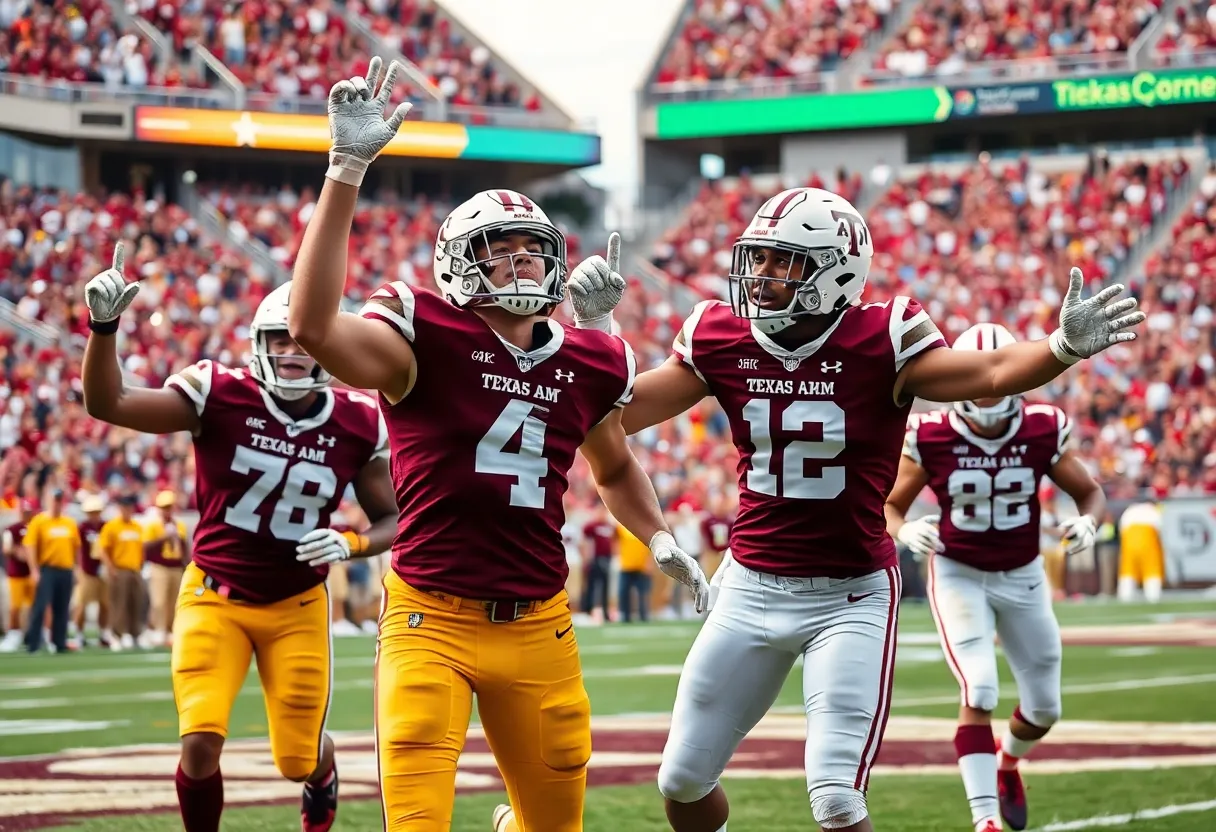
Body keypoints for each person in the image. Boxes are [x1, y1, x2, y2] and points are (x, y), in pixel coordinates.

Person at [567, 186, 1144, 832]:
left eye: (781, 262)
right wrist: (597, 334)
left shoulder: (884, 338)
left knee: (836, 796)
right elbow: (614, 414)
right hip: (750, 587)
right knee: (680, 780)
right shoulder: (720, 335)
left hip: (848, 598)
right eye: (757, 259)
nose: (758, 276)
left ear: (835, 271)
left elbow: (989, 374)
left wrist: (1059, 348)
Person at [285, 57, 709, 832]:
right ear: (458, 265)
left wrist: (657, 535)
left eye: (532, 247)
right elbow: (312, 328)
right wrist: (345, 170)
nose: (524, 261)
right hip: (429, 617)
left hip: (540, 619)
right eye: (501, 249)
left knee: (555, 825)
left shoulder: (590, 357)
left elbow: (613, 466)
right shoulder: (422, 333)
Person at [81, 253, 399, 832]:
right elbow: (110, 404)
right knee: (199, 740)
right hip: (213, 594)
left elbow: (393, 519)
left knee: (296, 759)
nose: (294, 353)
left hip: (297, 604)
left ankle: (322, 773)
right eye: (281, 341)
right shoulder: (219, 393)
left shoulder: (356, 420)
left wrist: (351, 543)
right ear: (260, 343)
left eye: (304, 342)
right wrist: (103, 332)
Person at [884, 322, 1105, 832]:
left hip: (1023, 572)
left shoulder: (1041, 426)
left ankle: (1007, 762)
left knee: (1046, 708)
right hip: (959, 571)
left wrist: (1089, 520)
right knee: (979, 688)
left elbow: (1090, 492)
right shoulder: (932, 434)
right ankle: (984, 819)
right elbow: (890, 505)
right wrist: (906, 528)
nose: (988, 397)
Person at [22, 488, 80, 654]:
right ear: (48, 501)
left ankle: (59, 642)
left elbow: (76, 547)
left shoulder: (69, 523)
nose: (57, 503)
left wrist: (77, 568)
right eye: (55, 500)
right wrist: (34, 569)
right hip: (47, 568)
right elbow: (30, 545)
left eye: (59, 500)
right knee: (41, 606)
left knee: (62, 607)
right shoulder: (39, 522)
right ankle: (33, 642)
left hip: (66, 569)